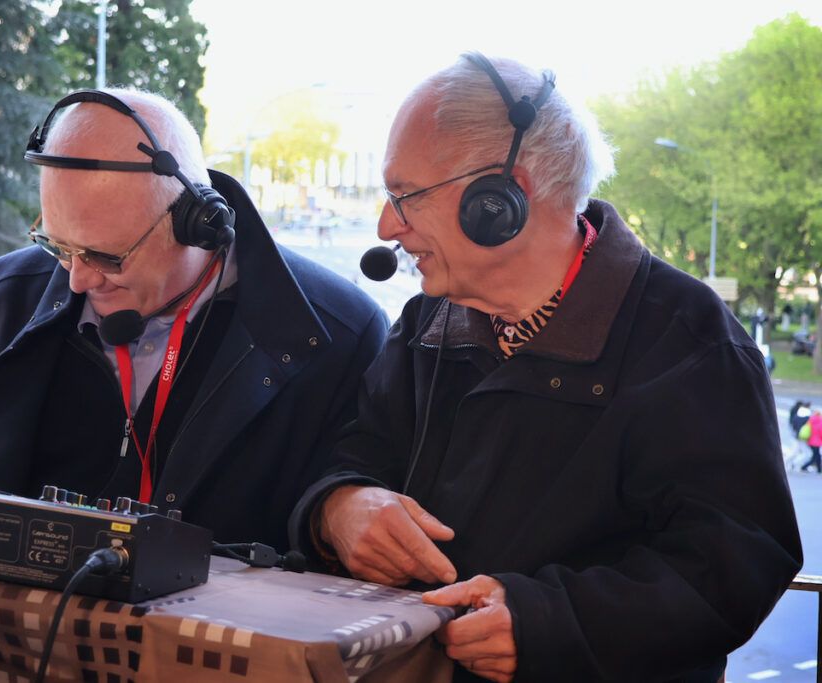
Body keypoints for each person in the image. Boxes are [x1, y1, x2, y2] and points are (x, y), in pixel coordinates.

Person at [0, 89, 388, 646]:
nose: (77, 279)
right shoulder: (2, 298)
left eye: (105, 256)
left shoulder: (336, 332)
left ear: (198, 223)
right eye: (58, 246)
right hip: (2, 650)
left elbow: (335, 526)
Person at [289, 52, 802, 683]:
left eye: (405, 197)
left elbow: (734, 567)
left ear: (500, 201)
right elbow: (355, 452)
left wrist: (549, 624)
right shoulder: (425, 323)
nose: (387, 225)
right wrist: (341, 507)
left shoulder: (689, 342)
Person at [801, 409, 822, 473]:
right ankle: (804, 466)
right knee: (816, 456)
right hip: (816, 442)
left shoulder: (810, 421)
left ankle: (819, 469)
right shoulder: (820, 422)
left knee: (817, 455)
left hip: (810, 441)